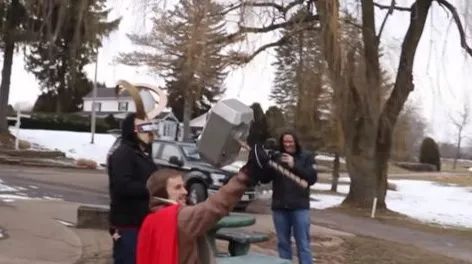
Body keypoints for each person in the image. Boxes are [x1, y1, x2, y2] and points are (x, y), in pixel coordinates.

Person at [136, 145, 270, 264]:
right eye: (177, 188)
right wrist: (245, 177)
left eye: (183, 186)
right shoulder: (178, 218)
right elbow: (215, 207)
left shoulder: (150, 220)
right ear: (161, 193)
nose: (185, 191)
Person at [107, 113, 159, 264]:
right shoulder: (123, 154)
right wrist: (151, 189)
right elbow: (122, 186)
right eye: (144, 127)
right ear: (132, 130)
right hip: (128, 225)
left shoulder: (143, 155)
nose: (150, 132)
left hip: (143, 223)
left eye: (151, 127)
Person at [261, 131, 317, 264]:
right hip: (280, 207)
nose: (287, 144)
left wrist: (294, 165)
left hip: (299, 207)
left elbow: (312, 178)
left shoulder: (307, 157)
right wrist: (264, 163)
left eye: (290, 141)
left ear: (295, 142)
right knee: (283, 243)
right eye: (285, 142)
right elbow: (265, 179)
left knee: (303, 244)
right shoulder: (276, 158)